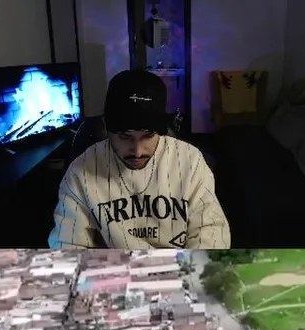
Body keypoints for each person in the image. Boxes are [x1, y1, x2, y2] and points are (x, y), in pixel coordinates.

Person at [49, 69, 230, 249]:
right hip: (113, 266)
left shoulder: (190, 160)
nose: (137, 151)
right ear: (106, 127)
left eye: (148, 136)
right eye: (124, 136)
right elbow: (68, 245)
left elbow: (210, 231)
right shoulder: (80, 171)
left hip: (180, 263)